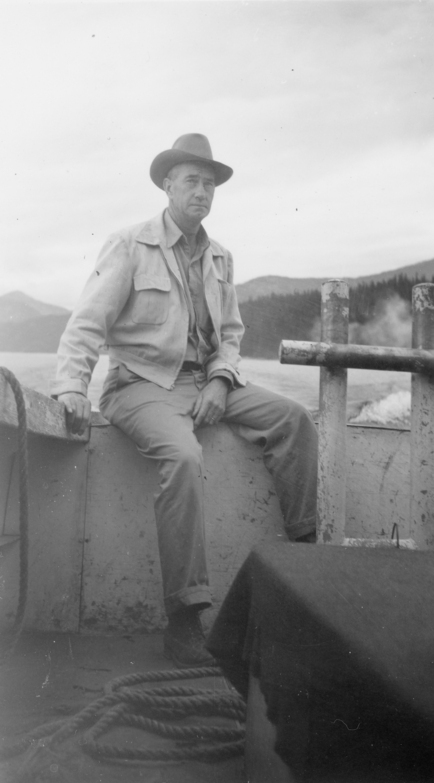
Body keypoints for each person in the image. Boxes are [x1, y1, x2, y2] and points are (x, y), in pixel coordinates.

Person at [52, 133, 318, 667]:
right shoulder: (129, 245)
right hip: (139, 386)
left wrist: (221, 379)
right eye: (192, 180)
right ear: (168, 185)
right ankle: (184, 619)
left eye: (210, 183)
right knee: (183, 456)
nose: (202, 191)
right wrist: (70, 387)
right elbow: (87, 322)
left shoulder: (220, 257)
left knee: (293, 420)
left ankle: (306, 570)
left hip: (205, 382)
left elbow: (233, 335)